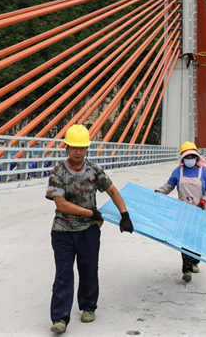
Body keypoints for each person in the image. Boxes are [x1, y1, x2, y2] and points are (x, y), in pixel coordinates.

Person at [46, 124, 134, 334]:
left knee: (88, 270)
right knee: (64, 273)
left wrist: (125, 214)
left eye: (82, 148)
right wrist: (90, 213)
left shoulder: (94, 170)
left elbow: (112, 190)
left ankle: (88, 307)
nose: (78, 152)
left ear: (87, 149)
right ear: (66, 147)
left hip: (88, 231)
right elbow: (61, 204)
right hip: (63, 230)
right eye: (74, 147)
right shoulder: (58, 172)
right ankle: (59, 318)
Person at [156, 141, 206, 283]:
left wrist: (204, 201)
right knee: (185, 239)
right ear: (182, 158)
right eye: (187, 157)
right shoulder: (178, 171)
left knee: (196, 238)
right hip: (183, 211)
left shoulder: (203, 171)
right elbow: (169, 186)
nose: (189, 160)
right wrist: (160, 192)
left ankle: (195, 261)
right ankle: (186, 269)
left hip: (200, 210)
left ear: (196, 157)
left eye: (192, 156)